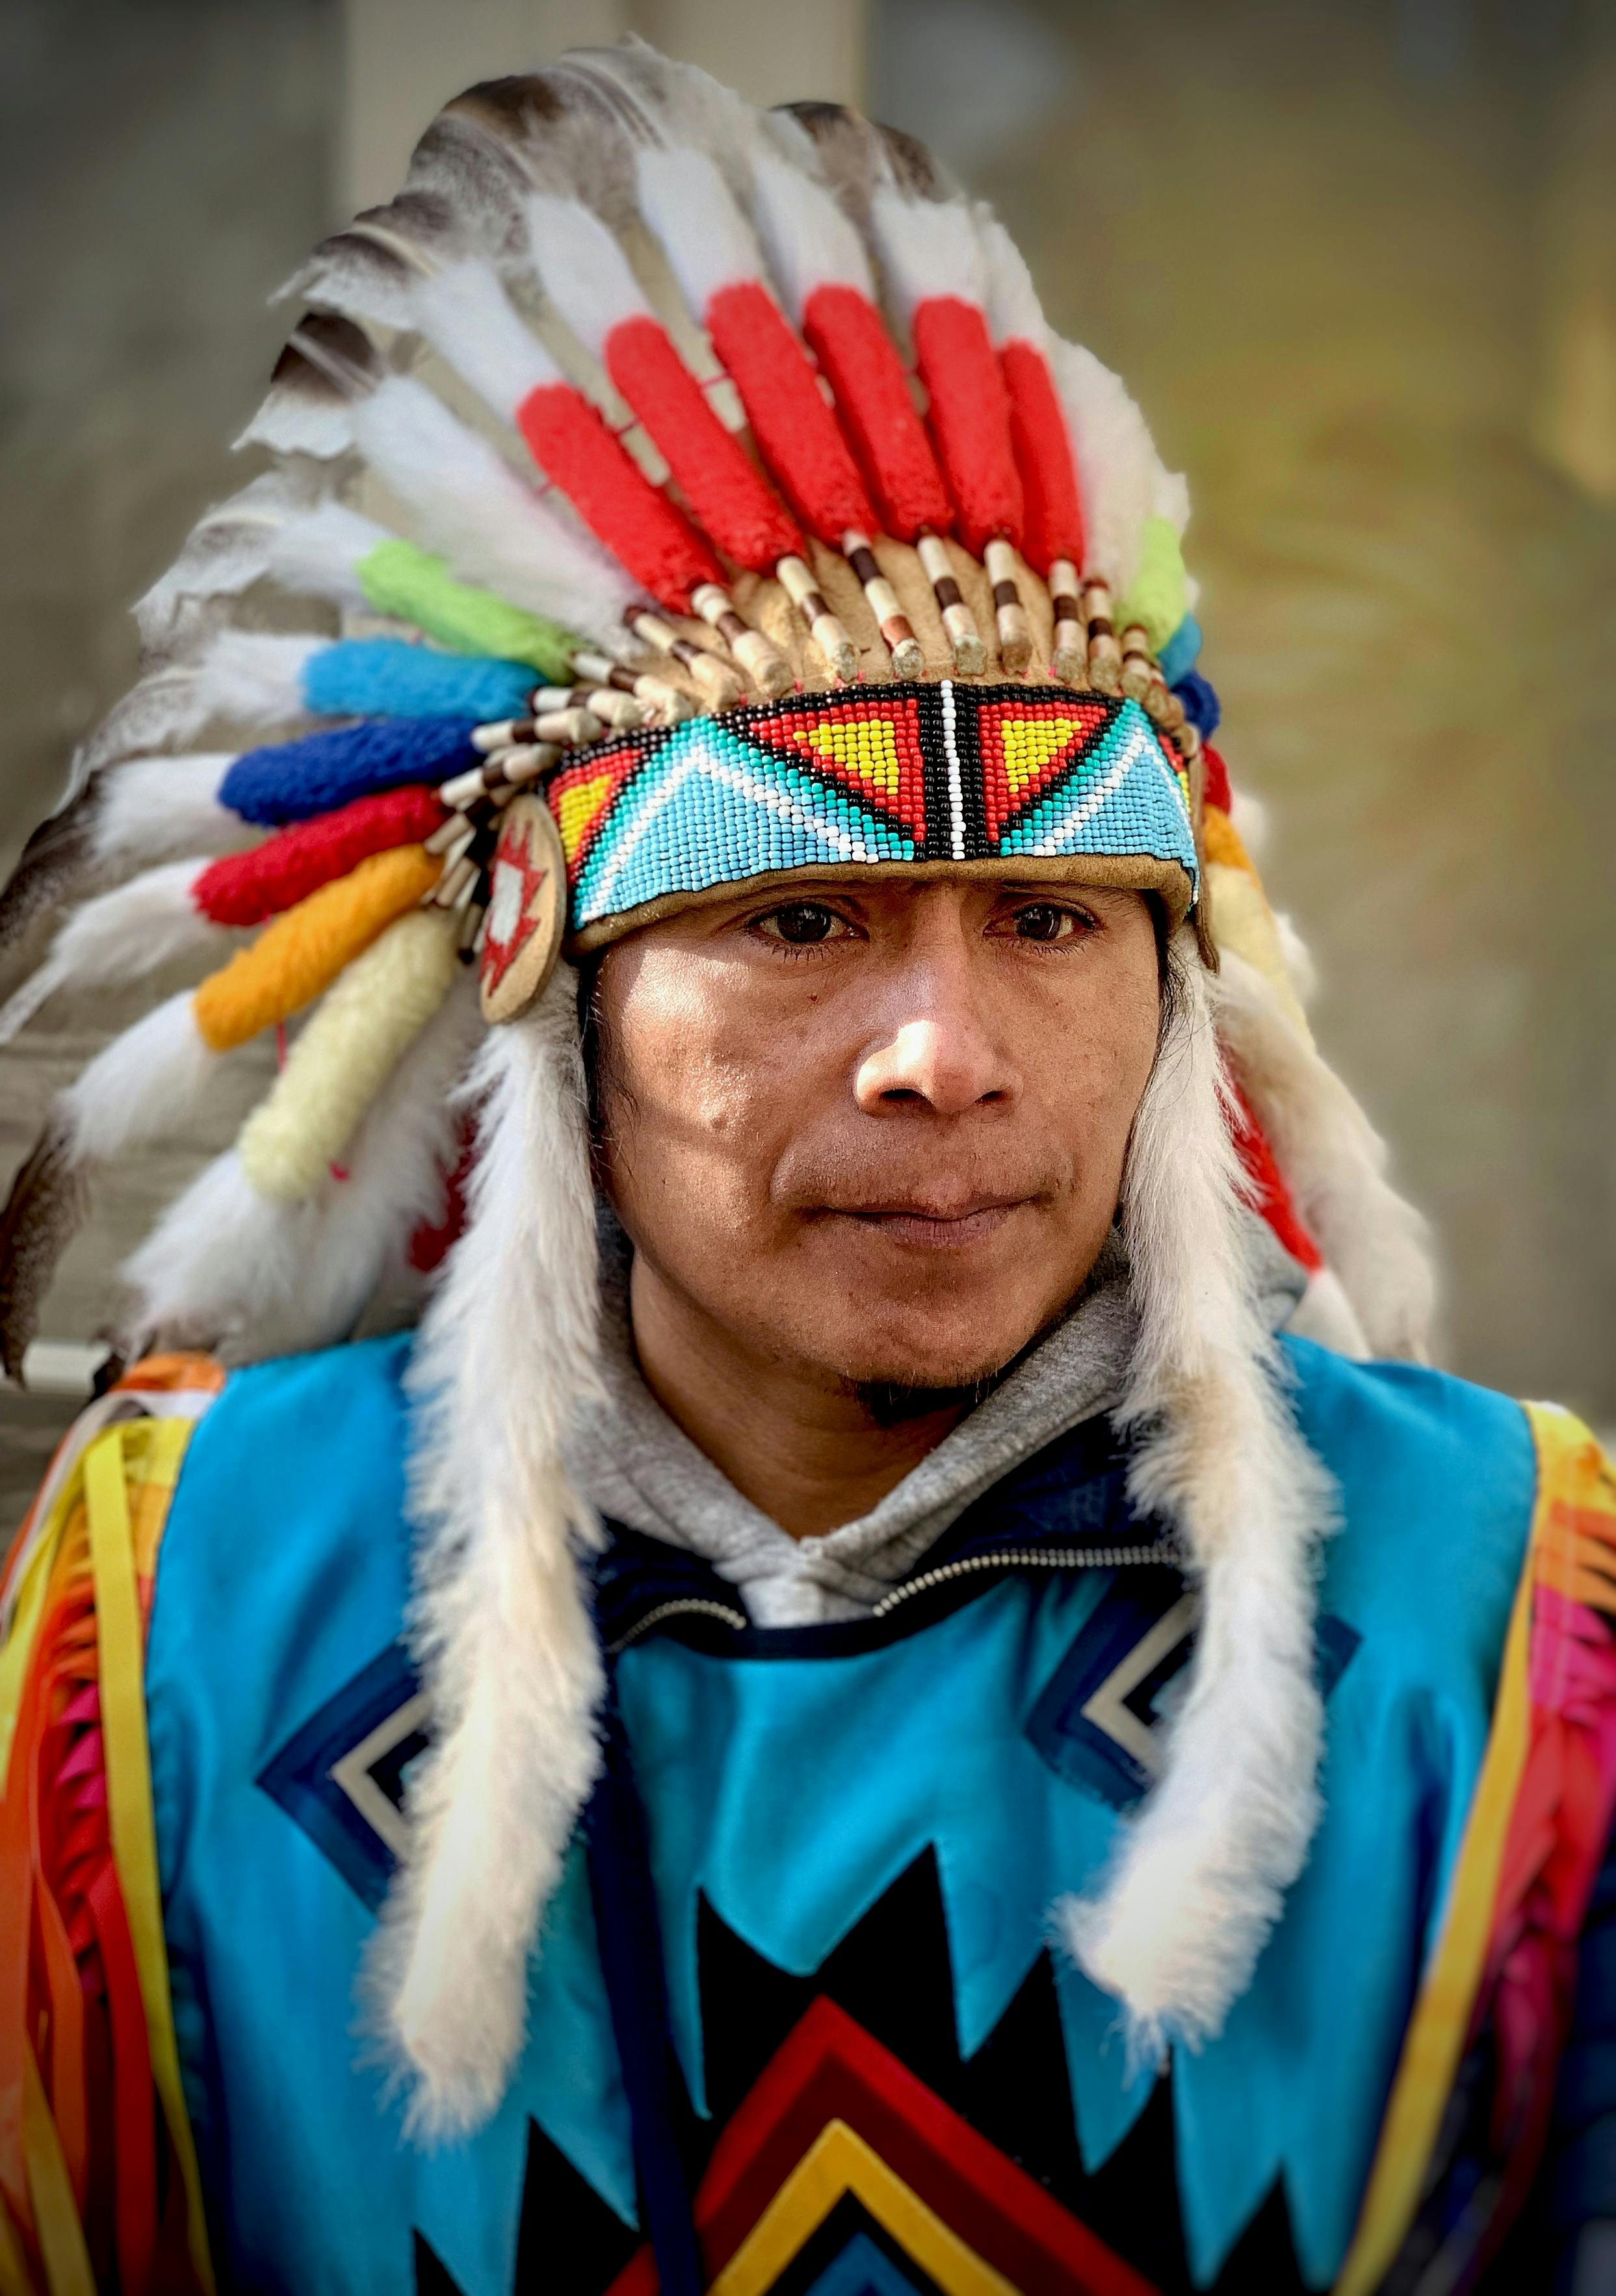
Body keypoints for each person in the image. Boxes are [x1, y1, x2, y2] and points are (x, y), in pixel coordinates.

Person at [0, 43, 1611, 2296]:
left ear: (1184, 991)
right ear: (545, 991)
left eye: (1054, 921)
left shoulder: (1494, 1618)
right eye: (797, 919)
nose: (946, 1054)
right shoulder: (203, 1605)